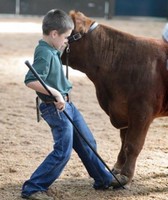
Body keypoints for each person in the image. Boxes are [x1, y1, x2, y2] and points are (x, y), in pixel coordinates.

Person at [21, 9, 126, 200]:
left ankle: (103, 179)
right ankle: (33, 187)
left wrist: (63, 47)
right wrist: (55, 93)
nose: (67, 41)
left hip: (67, 105)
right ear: (54, 34)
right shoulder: (44, 53)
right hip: (55, 107)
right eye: (65, 37)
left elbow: (58, 49)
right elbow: (30, 80)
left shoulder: (52, 48)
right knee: (63, 151)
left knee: (88, 142)